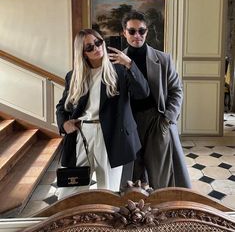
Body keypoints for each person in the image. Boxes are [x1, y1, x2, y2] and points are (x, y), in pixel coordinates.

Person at [56, 28, 149, 199]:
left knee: (108, 190)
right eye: (90, 47)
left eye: (99, 42)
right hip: (82, 133)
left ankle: (103, 225)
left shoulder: (119, 71)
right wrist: (63, 123)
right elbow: (62, 106)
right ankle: (69, 223)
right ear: (82, 53)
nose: (97, 48)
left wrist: (129, 64)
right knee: (69, 189)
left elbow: (143, 93)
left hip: (111, 135)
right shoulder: (74, 76)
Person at [122, 10, 191, 189]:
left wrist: (168, 118)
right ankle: (136, 215)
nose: (137, 35)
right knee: (133, 175)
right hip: (129, 122)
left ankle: (162, 213)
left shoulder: (163, 59)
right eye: (132, 31)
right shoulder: (116, 61)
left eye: (141, 31)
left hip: (157, 119)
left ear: (147, 32)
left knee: (161, 175)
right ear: (124, 32)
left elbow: (176, 90)